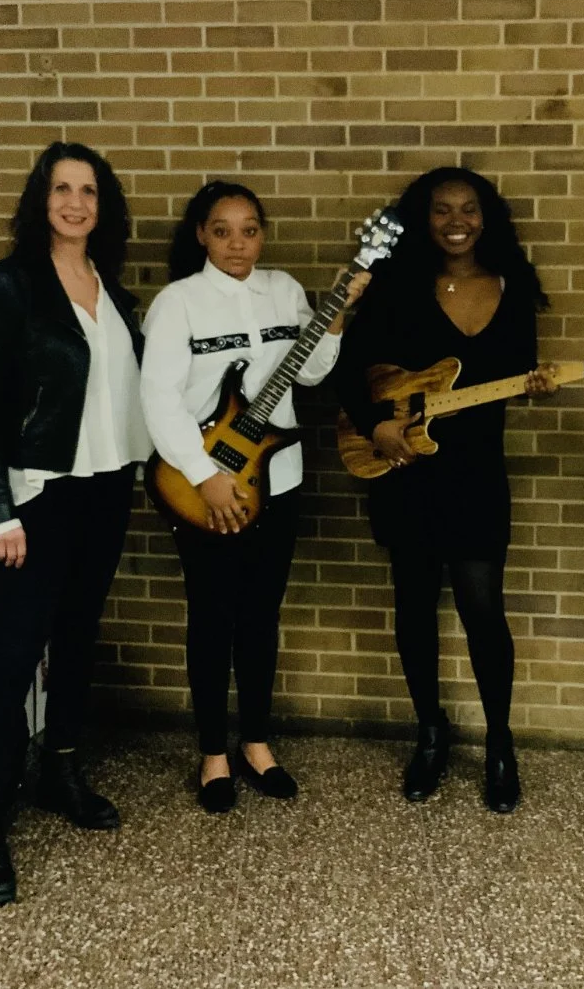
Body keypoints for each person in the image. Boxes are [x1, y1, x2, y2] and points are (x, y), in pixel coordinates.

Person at [140, 181, 368, 814]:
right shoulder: (178, 304)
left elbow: (314, 371)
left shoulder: (285, 291)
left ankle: (258, 742)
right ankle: (214, 750)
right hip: (200, 484)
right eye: (222, 230)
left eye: (250, 229)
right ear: (201, 235)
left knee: (262, 615)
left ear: (263, 233)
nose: (237, 243)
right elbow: (158, 396)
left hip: (279, 480)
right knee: (213, 616)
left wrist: (338, 313)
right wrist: (204, 474)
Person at [0, 142, 151, 905]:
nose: (76, 203)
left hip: (106, 490)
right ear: (40, 198)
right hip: (36, 497)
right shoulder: (9, 285)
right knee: (12, 656)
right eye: (62, 188)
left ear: (103, 208)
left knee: (79, 633)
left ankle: (60, 771)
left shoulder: (111, 290)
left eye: (90, 192)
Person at [335, 167, 557, 814]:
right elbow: (351, 372)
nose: (455, 220)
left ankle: (499, 742)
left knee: (482, 609)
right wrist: (376, 427)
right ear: (421, 218)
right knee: (413, 605)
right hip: (405, 469)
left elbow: (517, 374)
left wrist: (535, 386)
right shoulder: (394, 287)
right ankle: (429, 732)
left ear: (486, 217)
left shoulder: (512, 290)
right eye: (440, 210)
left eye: (468, 208)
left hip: (477, 472)